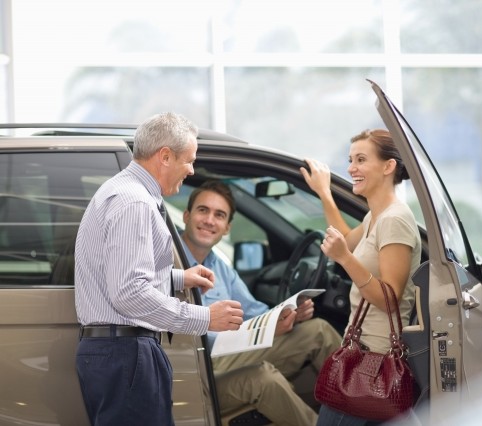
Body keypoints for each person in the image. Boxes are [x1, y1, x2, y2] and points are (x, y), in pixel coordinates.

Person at [74, 112, 244, 426]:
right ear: (165, 156)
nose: (192, 169)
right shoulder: (135, 203)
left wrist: (179, 277)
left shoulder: (124, 193)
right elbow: (129, 292)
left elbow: (119, 273)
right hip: (127, 355)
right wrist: (205, 317)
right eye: (189, 160)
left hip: (118, 353)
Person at [180, 179, 343, 426]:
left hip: (231, 353)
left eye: (219, 215)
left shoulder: (221, 268)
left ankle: (362, 404)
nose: (209, 220)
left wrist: (287, 315)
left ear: (227, 228)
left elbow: (255, 312)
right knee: (265, 377)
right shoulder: (169, 260)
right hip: (195, 369)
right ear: (186, 215)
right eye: (203, 210)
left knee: (317, 330)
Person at [300, 129, 422, 426]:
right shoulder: (376, 216)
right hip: (366, 353)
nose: (351, 168)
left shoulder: (394, 220)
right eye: (350, 159)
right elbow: (345, 237)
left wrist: (344, 258)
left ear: (388, 166)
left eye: (361, 159)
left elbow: (390, 299)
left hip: (374, 361)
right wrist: (324, 192)